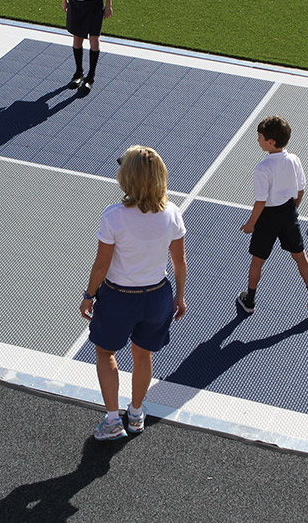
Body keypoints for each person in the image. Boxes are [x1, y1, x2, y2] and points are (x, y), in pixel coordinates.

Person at [80, 146, 186, 440]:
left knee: (105, 352)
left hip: (118, 299)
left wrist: (88, 295)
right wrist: (179, 296)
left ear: (127, 178)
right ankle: (136, 414)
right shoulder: (173, 213)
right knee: (143, 355)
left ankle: (113, 420)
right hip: (157, 297)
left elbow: (102, 264)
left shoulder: (113, 216)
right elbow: (179, 262)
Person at [238, 116, 308, 315]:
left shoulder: (262, 168)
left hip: (267, 219)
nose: (258, 140)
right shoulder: (294, 160)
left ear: (271, 142)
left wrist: (250, 224)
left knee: (257, 260)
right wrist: (292, 210)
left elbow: (261, 201)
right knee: (300, 256)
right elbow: (301, 190)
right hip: (288, 213)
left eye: (260, 137)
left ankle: (250, 300)